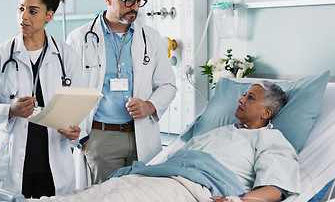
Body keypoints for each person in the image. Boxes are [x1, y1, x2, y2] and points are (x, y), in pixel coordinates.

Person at [30, 81, 300, 202]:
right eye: (243, 94)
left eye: (250, 98)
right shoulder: (217, 132)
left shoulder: (271, 139)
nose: (241, 100)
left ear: (267, 112)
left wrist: (239, 200)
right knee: (90, 194)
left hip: (191, 189)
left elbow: (275, 188)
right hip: (158, 176)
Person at [0, 0, 84, 199]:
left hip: (53, 166)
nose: (23, 17)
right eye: (20, 9)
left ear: (49, 15)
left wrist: (75, 130)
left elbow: (78, 108)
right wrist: (10, 110)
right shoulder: (1, 55)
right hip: (12, 165)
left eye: (32, 11)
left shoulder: (67, 56)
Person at [66, 0, 177, 187]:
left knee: (142, 195)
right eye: (128, 0)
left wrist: (150, 105)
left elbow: (168, 84)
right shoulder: (80, 38)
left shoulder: (151, 38)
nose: (134, 7)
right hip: (101, 137)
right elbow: (68, 91)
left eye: (138, 0)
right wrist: (86, 140)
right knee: (104, 197)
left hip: (141, 136)